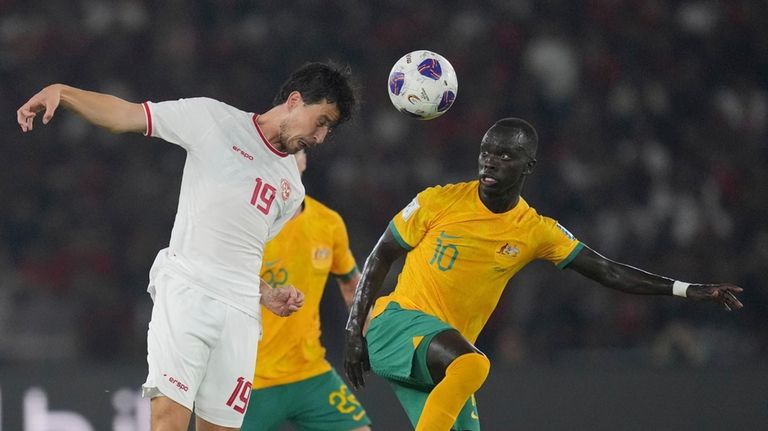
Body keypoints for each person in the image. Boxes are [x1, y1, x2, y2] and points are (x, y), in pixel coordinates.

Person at [17, 62, 358, 431]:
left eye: (329, 129)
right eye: (321, 121)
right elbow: (125, 115)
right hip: (187, 294)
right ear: (295, 101)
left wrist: (265, 293)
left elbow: (241, 252)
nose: (321, 137)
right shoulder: (212, 119)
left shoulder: (292, 186)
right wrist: (63, 92)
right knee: (168, 422)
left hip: (240, 316)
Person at [343, 118, 744, 431]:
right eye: (486, 152)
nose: (490, 160)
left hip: (438, 360)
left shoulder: (535, 231)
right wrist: (353, 330)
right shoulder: (438, 200)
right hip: (393, 324)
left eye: (504, 155)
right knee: (475, 365)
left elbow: (607, 270)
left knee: (464, 377)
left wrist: (688, 290)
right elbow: (381, 256)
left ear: (528, 165)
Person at [242, 149, 371, 431]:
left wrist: (376, 332)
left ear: (304, 161)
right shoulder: (249, 223)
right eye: (280, 152)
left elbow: (351, 285)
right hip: (250, 379)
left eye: (295, 152)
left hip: (310, 373)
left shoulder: (328, 222)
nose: (288, 158)